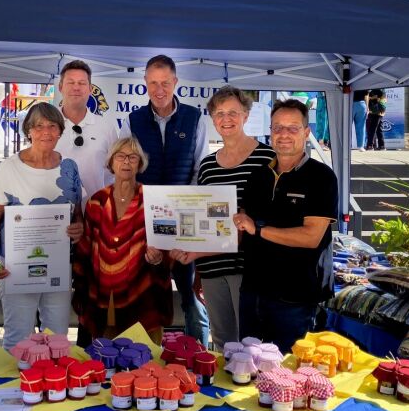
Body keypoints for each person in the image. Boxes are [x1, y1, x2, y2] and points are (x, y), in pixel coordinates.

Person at [170, 86, 275, 351]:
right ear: (212, 118)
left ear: (246, 115)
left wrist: (196, 254)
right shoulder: (207, 165)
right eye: (219, 114)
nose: (226, 119)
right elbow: (204, 218)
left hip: (249, 268)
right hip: (213, 269)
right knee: (221, 343)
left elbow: (268, 219)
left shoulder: (268, 158)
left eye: (233, 113)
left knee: (252, 345)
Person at [233, 99, 338, 352]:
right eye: (278, 128)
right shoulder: (257, 176)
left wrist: (258, 229)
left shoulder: (322, 177)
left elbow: (311, 237)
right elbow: (239, 231)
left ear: (306, 132)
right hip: (253, 293)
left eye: (292, 128)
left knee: (291, 380)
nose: (284, 135)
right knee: (247, 372)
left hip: (296, 300)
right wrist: (193, 246)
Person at [119, 54, 210, 346]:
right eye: (153, 83)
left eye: (165, 83)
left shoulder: (194, 118)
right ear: (145, 83)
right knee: (142, 297)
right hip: (145, 222)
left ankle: (198, 358)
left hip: (185, 222)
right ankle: (142, 357)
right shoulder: (132, 120)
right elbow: (126, 171)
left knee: (191, 297)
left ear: (176, 83)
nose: (159, 89)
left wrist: (187, 217)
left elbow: (201, 168)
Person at [0, 102, 84, 351]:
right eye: (39, 126)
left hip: (58, 265)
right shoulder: (9, 168)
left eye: (52, 126)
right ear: (28, 130)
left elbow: (78, 215)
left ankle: (53, 388)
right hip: (16, 267)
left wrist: (79, 228)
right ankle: (16, 389)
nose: (46, 132)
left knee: (57, 336)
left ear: (61, 131)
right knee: (19, 337)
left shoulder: (69, 167)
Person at [73, 137, 171, 344]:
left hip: (144, 295)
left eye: (133, 157)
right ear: (111, 163)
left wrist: (158, 258)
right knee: (107, 354)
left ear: (140, 164)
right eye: (120, 156)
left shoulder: (155, 200)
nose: (126, 162)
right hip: (103, 297)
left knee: (145, 360)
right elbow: (85, 251)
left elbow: (168, 246)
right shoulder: (96, 202)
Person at [55, 60, 119, 201]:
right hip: (55, 212)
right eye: (70, 82)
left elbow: (115, 173)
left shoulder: (106, 128)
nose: (76, 88)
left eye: (82, 83)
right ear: (60, 87)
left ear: (90, 89)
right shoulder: (48, 126)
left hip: (96, 212)